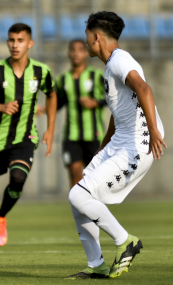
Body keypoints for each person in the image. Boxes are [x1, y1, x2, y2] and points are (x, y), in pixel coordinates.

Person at [65, 11, 166, 279]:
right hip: (120, 141)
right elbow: (119, 110)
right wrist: (104, 145)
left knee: (78, 195)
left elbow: (144, 89)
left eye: (87, 36)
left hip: (136, 145)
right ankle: (96, 264)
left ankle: (125, 241)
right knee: (79, 196)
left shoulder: (120, 61)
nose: (85, 42)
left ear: (96, 36)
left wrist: (154, 132)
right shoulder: (111, 65)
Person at [0, 23, 57, 254]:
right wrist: (0, 106)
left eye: (19, 40)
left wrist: (50, 129)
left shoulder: (40, 71)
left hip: (25, 139)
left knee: (18, 178)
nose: (15, 45)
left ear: (30, 43)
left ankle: (1, 216)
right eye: (11, 40)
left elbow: (52, 94)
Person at [56, 39, 107, 187]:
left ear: (85, 53)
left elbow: (112, 98)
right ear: (69, 53)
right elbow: (59, 102)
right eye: (73, 50)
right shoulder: (63, 79)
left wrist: (96, 102)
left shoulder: (97, 76)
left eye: (80, 50)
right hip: (71, 136)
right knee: (75, 173)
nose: (76, 53)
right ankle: (78, 209)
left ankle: (93, 208)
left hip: (94, 135)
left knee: (95, 177)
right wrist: (45, 109)